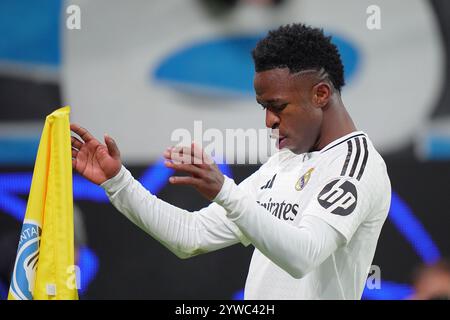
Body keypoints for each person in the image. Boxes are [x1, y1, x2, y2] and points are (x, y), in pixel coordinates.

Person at [70, 23, 391, 299]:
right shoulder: (285, 162)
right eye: (263, 106)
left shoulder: (357, 166)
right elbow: (190, 235)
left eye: (277, 106)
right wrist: (119, 182)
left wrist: (225, 190)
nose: (268, 121)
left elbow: (303, 254)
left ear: (320, 94)